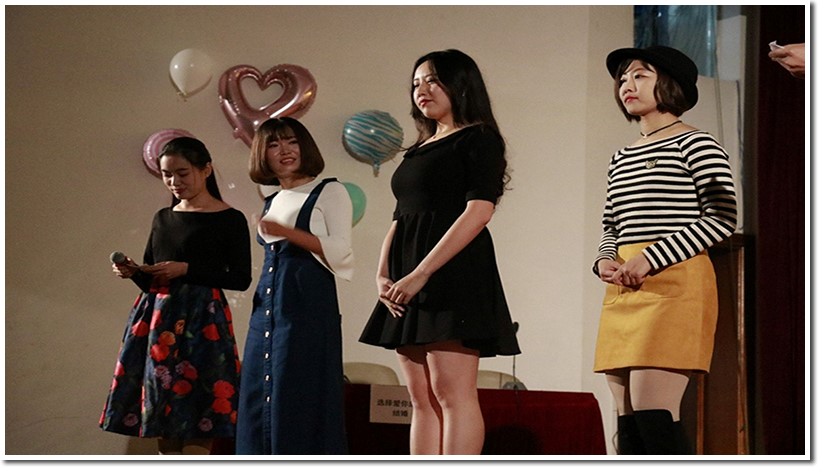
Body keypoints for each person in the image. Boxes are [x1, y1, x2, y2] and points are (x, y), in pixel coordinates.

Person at [359, 49, 521, 455]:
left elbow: (479, 211)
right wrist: (382, 273)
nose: (422, 90)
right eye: (416, 83)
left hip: (452, 273)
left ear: (460, 84)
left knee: (452, 393)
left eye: (432, 80)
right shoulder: (417, 149)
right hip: (406, 279)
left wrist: (422, 274)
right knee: (421, 398)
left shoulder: (478, 138)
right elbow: (401, 217)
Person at [592, 45, 738, 455]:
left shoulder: (697, 143)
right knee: (627, 419)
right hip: (625, 287)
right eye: (623, 78)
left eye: (640, 75)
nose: (627, 84)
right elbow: (611, 224)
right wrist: (604, 258)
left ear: (670, 84)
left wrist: (652, 257)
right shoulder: (621, 156)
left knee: (653, 412)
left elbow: (722, 217)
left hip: (674, 282)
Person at [100, 137, 252, 455]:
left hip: (204, 322)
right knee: (163, 408)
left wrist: (187, 269)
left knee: (203, 406)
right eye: (167, 175)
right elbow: (151, 279)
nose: (174, 182)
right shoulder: (163, 217)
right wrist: (133, 271)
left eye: (182, 173)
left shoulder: (230, 218)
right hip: (159, 322)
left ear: (206, 169)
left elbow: (240, 279)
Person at [235, 117, 353, 455]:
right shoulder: (272, 200)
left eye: (291, 141)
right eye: (273, 145)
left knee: (297, 394)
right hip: (267, 310)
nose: (284, 150)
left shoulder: (329, 191)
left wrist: (287, 232)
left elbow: (341, 250)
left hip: (306, 307)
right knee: (258, 393)